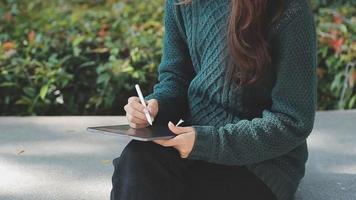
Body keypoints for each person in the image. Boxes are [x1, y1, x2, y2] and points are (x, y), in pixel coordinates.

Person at [111, 0, 317, 199]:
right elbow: (175, 78)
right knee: (137, 160)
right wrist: (154, 107)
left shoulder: (288, 8)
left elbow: (293, 120)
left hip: (260, 164)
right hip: (191, 141)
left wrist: (208, 143)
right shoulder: (182, 2)